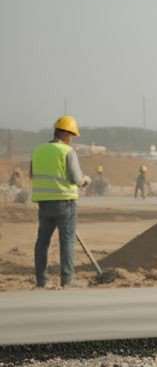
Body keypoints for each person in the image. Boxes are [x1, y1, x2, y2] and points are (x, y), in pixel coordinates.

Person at [30, 115, 90, 288]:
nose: (71, 139)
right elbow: (77, 179)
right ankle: (68, 279)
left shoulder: (38, 150)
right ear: (65, 134)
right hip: (65, 202)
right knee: (67, 241)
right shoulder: (67, 152)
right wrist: (86, 180)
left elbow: (32, 174)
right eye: (71, 135)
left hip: (44, 204)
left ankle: (42, 280)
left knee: (42, 242)